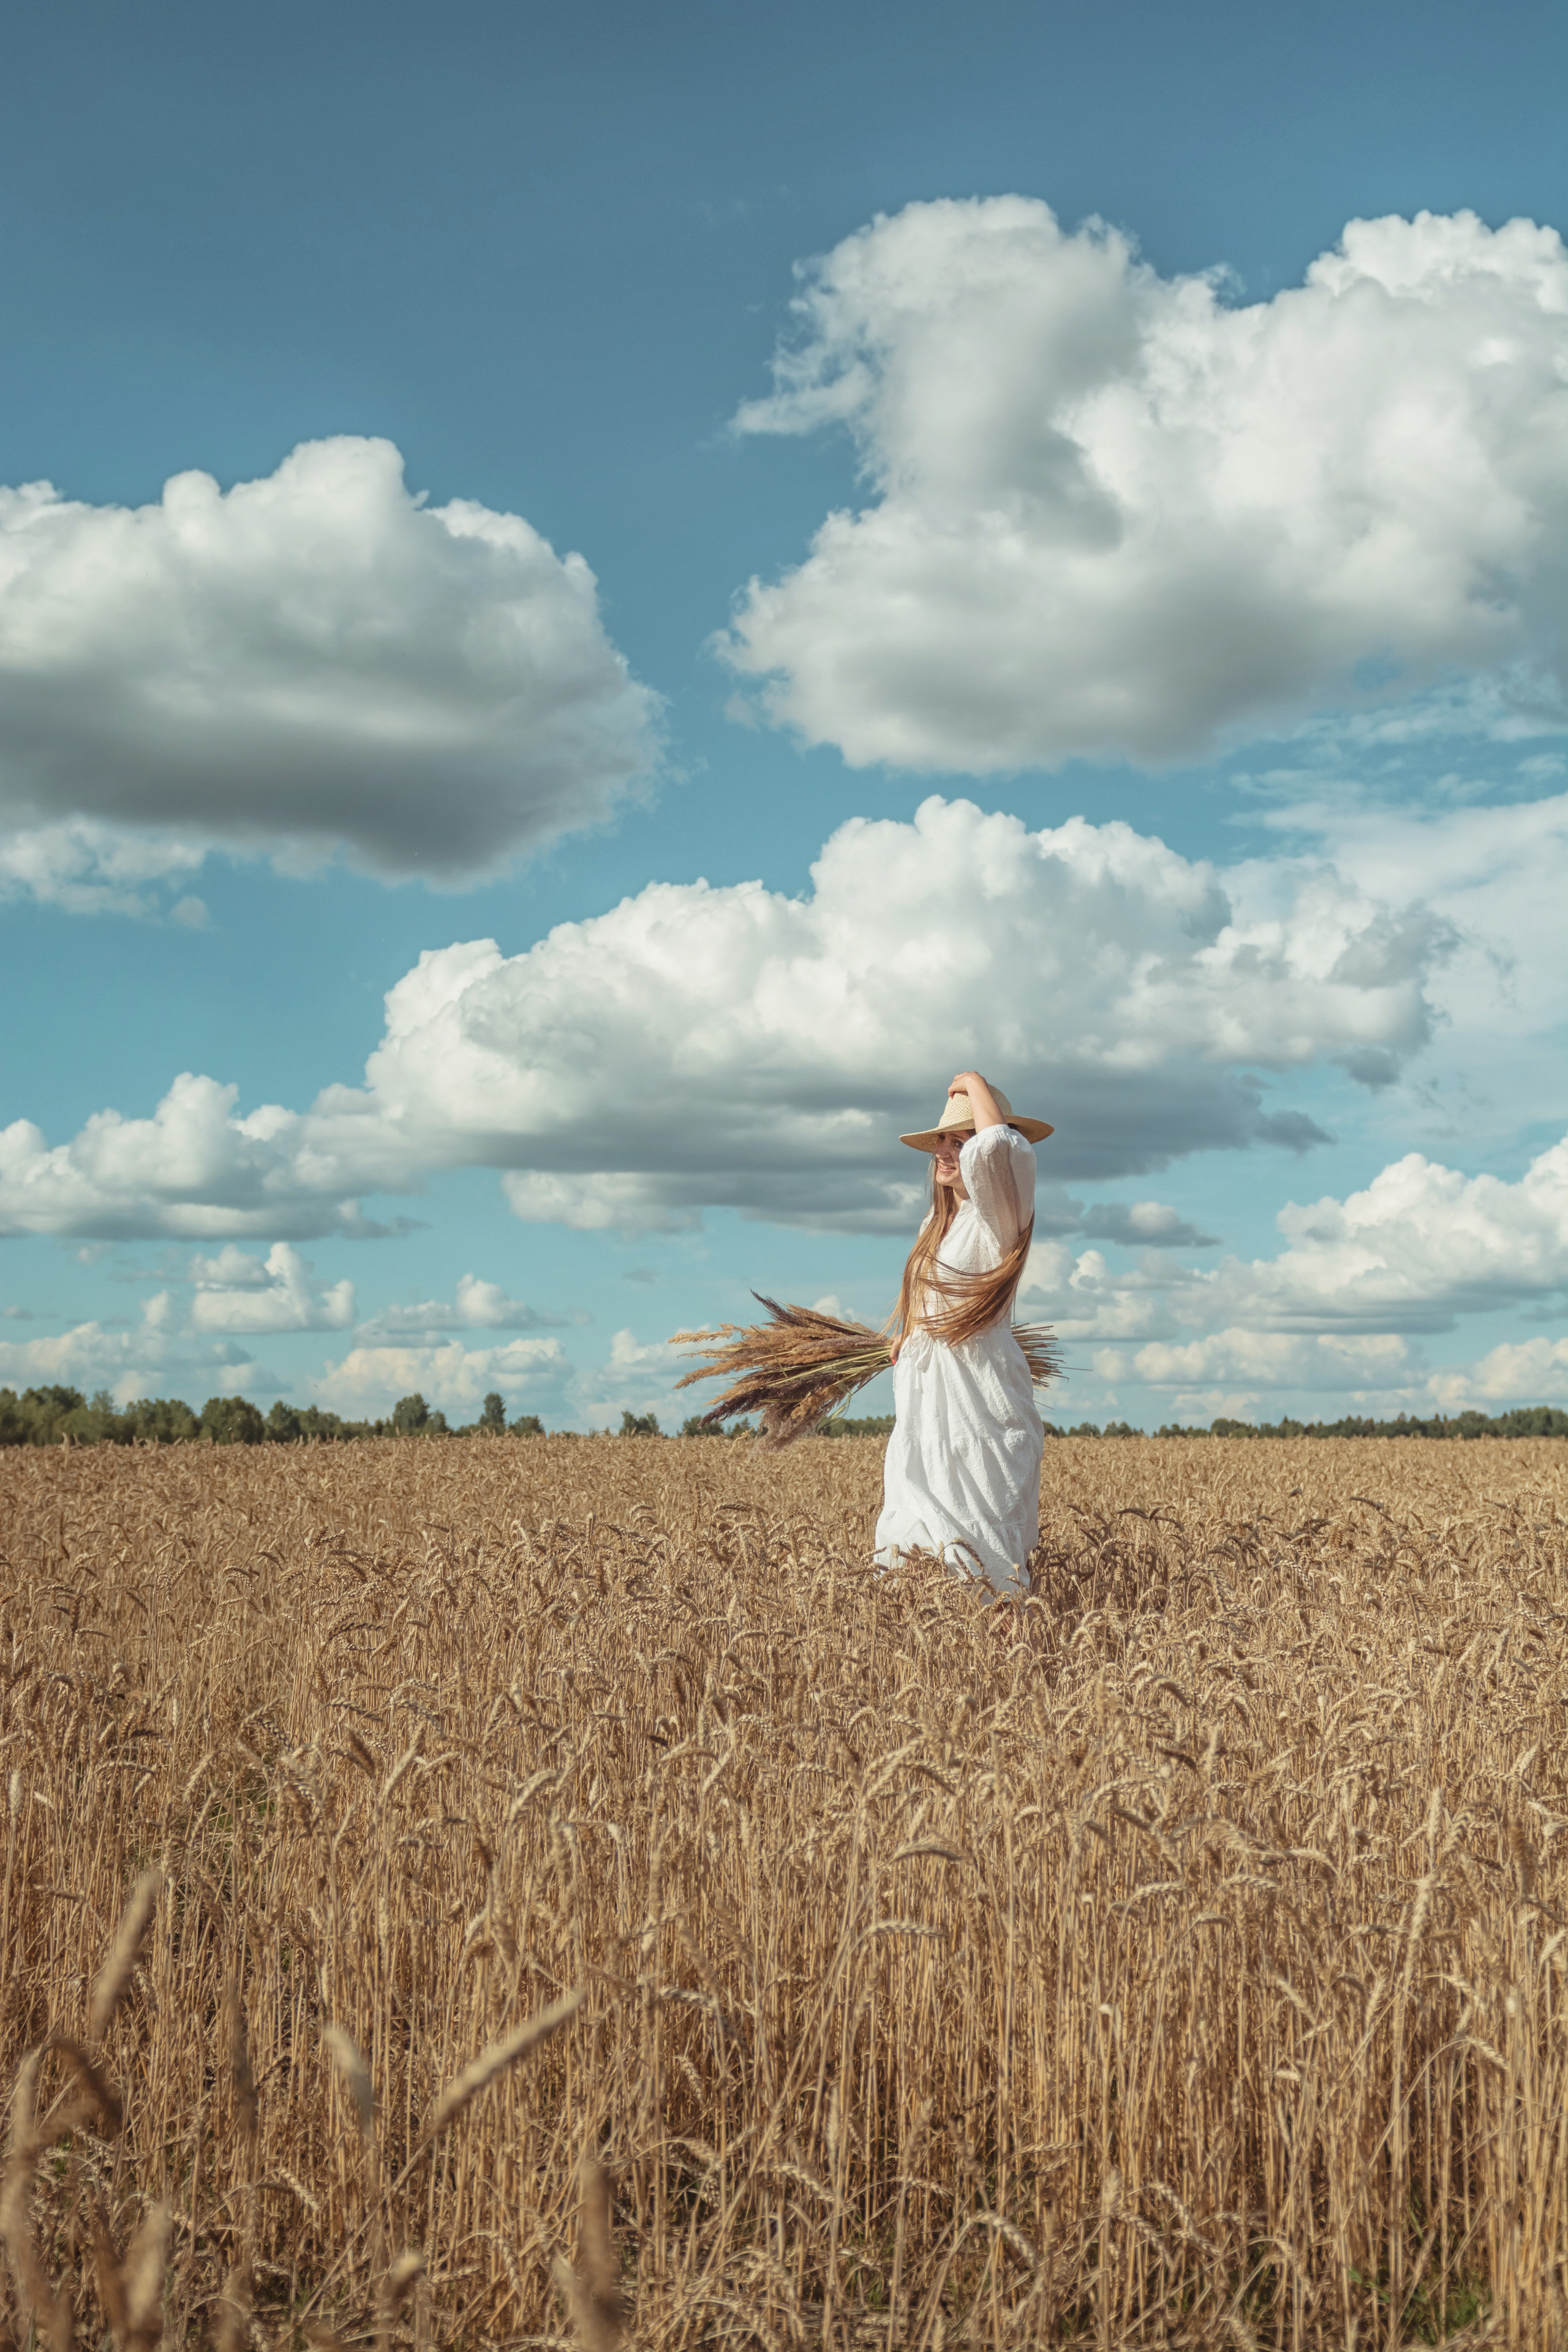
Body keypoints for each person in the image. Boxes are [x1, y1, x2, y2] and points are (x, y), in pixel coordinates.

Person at [874, 1071, 1054, 1599]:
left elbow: (1000, 1150)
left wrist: (972, 1081)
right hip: (929, 1403)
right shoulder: (940, 1222)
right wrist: (909, 1335)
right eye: (941, 1143)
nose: (947, 1153)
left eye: (961, 1140)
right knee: (916, 1538)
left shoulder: (999, 1216)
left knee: (982, 1538)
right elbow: (934, 1298)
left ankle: (1004, 1664)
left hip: (980, 1403)